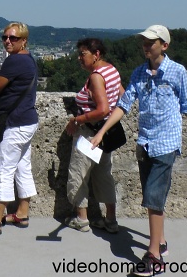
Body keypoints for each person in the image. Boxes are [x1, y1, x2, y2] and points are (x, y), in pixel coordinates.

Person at [91, 25, 187, 276]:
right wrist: (101, 132)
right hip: (144, 142)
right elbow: (123, 105)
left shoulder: (177, 72)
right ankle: (161, 241)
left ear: (164, 45)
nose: (145, 45)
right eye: (144, 41)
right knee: (152, 196)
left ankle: (154, 256)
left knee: (153, 196)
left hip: (166, 143)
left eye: (151, 42)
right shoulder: (139, 73)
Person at [0, 22, 38, 235]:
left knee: (3, 169)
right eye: (5, 37)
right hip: (29, 120)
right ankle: (22, 213)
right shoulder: (29, 59)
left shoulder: (14, 61)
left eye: (13, 38)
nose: (7, 41)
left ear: (23, 40)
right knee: (23, 166)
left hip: (15, 123)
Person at [64, 38, 124, 233]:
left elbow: (102, 108)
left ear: (96, 54)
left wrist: (77, 120)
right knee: (103, 175)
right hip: (105, 133)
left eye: (83, 54)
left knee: (79, 174)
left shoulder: (97, 76)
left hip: (90, 134)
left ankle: (81, 219)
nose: (79, 58)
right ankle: (111, 219)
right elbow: (122, 95)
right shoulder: (111, 70)